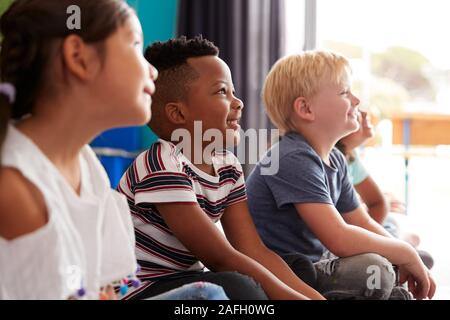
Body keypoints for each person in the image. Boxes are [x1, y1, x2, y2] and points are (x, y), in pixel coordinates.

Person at [0, 0, 225, 300]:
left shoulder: (86, 166)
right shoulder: (16, 188)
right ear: (79, 57)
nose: (153, 72)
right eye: (134, 44)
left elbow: (107, 286)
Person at [116, 36, 324, 300]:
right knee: (238, 287)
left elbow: (251, 248)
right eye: (222, 91)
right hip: (143, 291)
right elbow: (219, 257)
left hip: (192, 276)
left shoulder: (228, 166)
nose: (238, 102)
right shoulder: (160, 165)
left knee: (296, 267)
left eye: (233, 91)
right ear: (179, 114)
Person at [246, 51, 436, 300]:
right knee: (374, 268)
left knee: (389, 266)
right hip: (292, 273)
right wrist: (406, 253)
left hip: (320, 263)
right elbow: (338, 238)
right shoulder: (291, 157)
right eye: (345, 92)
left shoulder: (335, 158)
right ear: (305, 108)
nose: (356, 100)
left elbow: (363, 222)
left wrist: (403, 252)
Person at [336, 111, 434, 269]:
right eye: (354, 112)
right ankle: (400, 251)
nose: (364, 112)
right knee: (400, 232)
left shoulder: (351, 158)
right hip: (345, 236)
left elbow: (377, 202)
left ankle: (401, 249)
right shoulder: (329, 160)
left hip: (359, 227)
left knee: (392, 223)